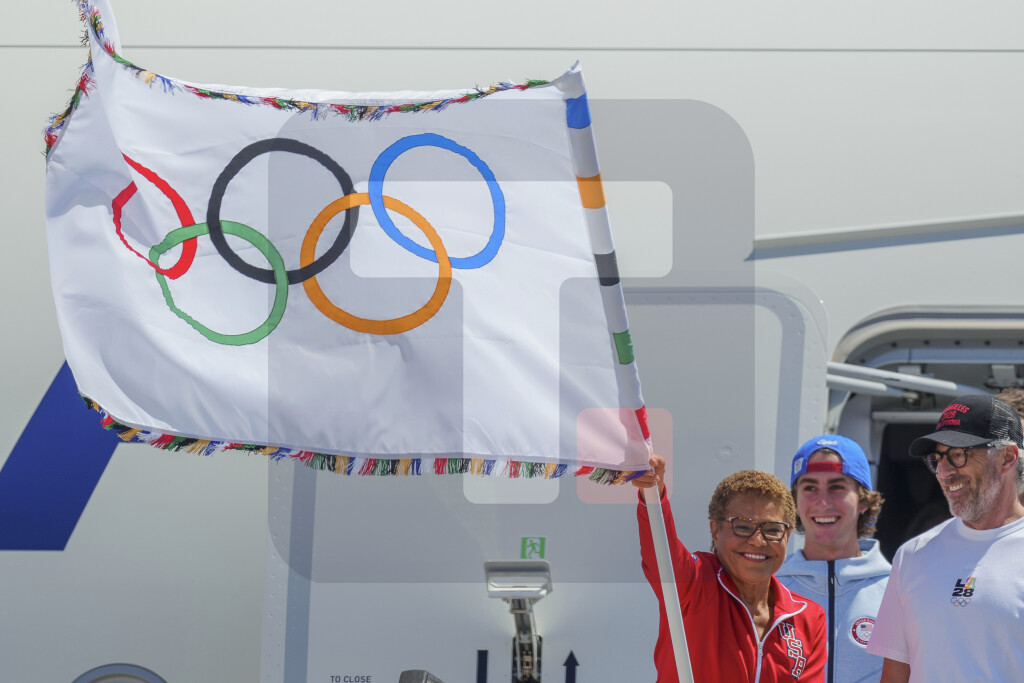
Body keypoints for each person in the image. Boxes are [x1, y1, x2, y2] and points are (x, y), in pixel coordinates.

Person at [865, 394, 1024, 681]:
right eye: (936, 459)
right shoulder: (913, 555)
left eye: (959, 454)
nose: (944, 471)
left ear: (1007, 457)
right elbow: (895, 674)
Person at [634, 456, 827, 681]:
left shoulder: (809, 617)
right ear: (715, 531)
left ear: (788, 535)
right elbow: (661, 552)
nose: (758, 540)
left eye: (773, 529)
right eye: (743, 526)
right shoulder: (695, 583)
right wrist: (653, 496)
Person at [776, 435, 890, 683]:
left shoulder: (897, 588)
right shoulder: (768, 588)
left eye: (837, 487)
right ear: (794, 502)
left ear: (862, 500)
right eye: (810, 488)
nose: (823, 502)